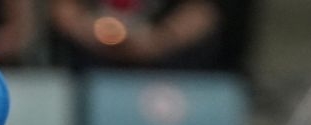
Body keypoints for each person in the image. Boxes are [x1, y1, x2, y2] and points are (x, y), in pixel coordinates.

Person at [49, 0, 224, 70]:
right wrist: (98, 33)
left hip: (170, 73)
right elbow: (63, 11)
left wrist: (160, 40)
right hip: (88, 65)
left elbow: (203, 13)